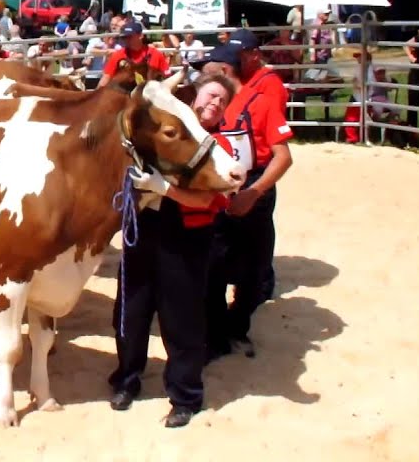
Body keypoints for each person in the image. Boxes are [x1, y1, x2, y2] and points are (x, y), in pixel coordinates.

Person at [110, 73, 237, 429]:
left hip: (187, 235)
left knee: (181, 317)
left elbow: (209, 197)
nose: (213, 104)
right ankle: (126, 378)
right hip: (145, 228)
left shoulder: (217, 147)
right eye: (210, 95)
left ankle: (185, 395)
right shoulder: (170, 128)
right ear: (194, 98)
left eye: (221, 102)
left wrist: (163, 187)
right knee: (131, 309)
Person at [194, 44, 293, 360]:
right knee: (213, 268)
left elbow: (283, 157)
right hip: (218, 189)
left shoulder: (261, 103)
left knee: (255, 273)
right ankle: (215, 336)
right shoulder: (206, 107)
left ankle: (236, 327)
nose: (201, 75)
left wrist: (253, 193)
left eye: (207, 68)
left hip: (255, 187)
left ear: (223, 71)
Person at [97, 21, 171, 88]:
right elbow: (105, 80)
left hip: (149, 96)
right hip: (124, 98)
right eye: (124, 38)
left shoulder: (155, 54)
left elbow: (168, 77)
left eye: (130, 37)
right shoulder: (118, 56)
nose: (126, 40)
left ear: (141, 36)